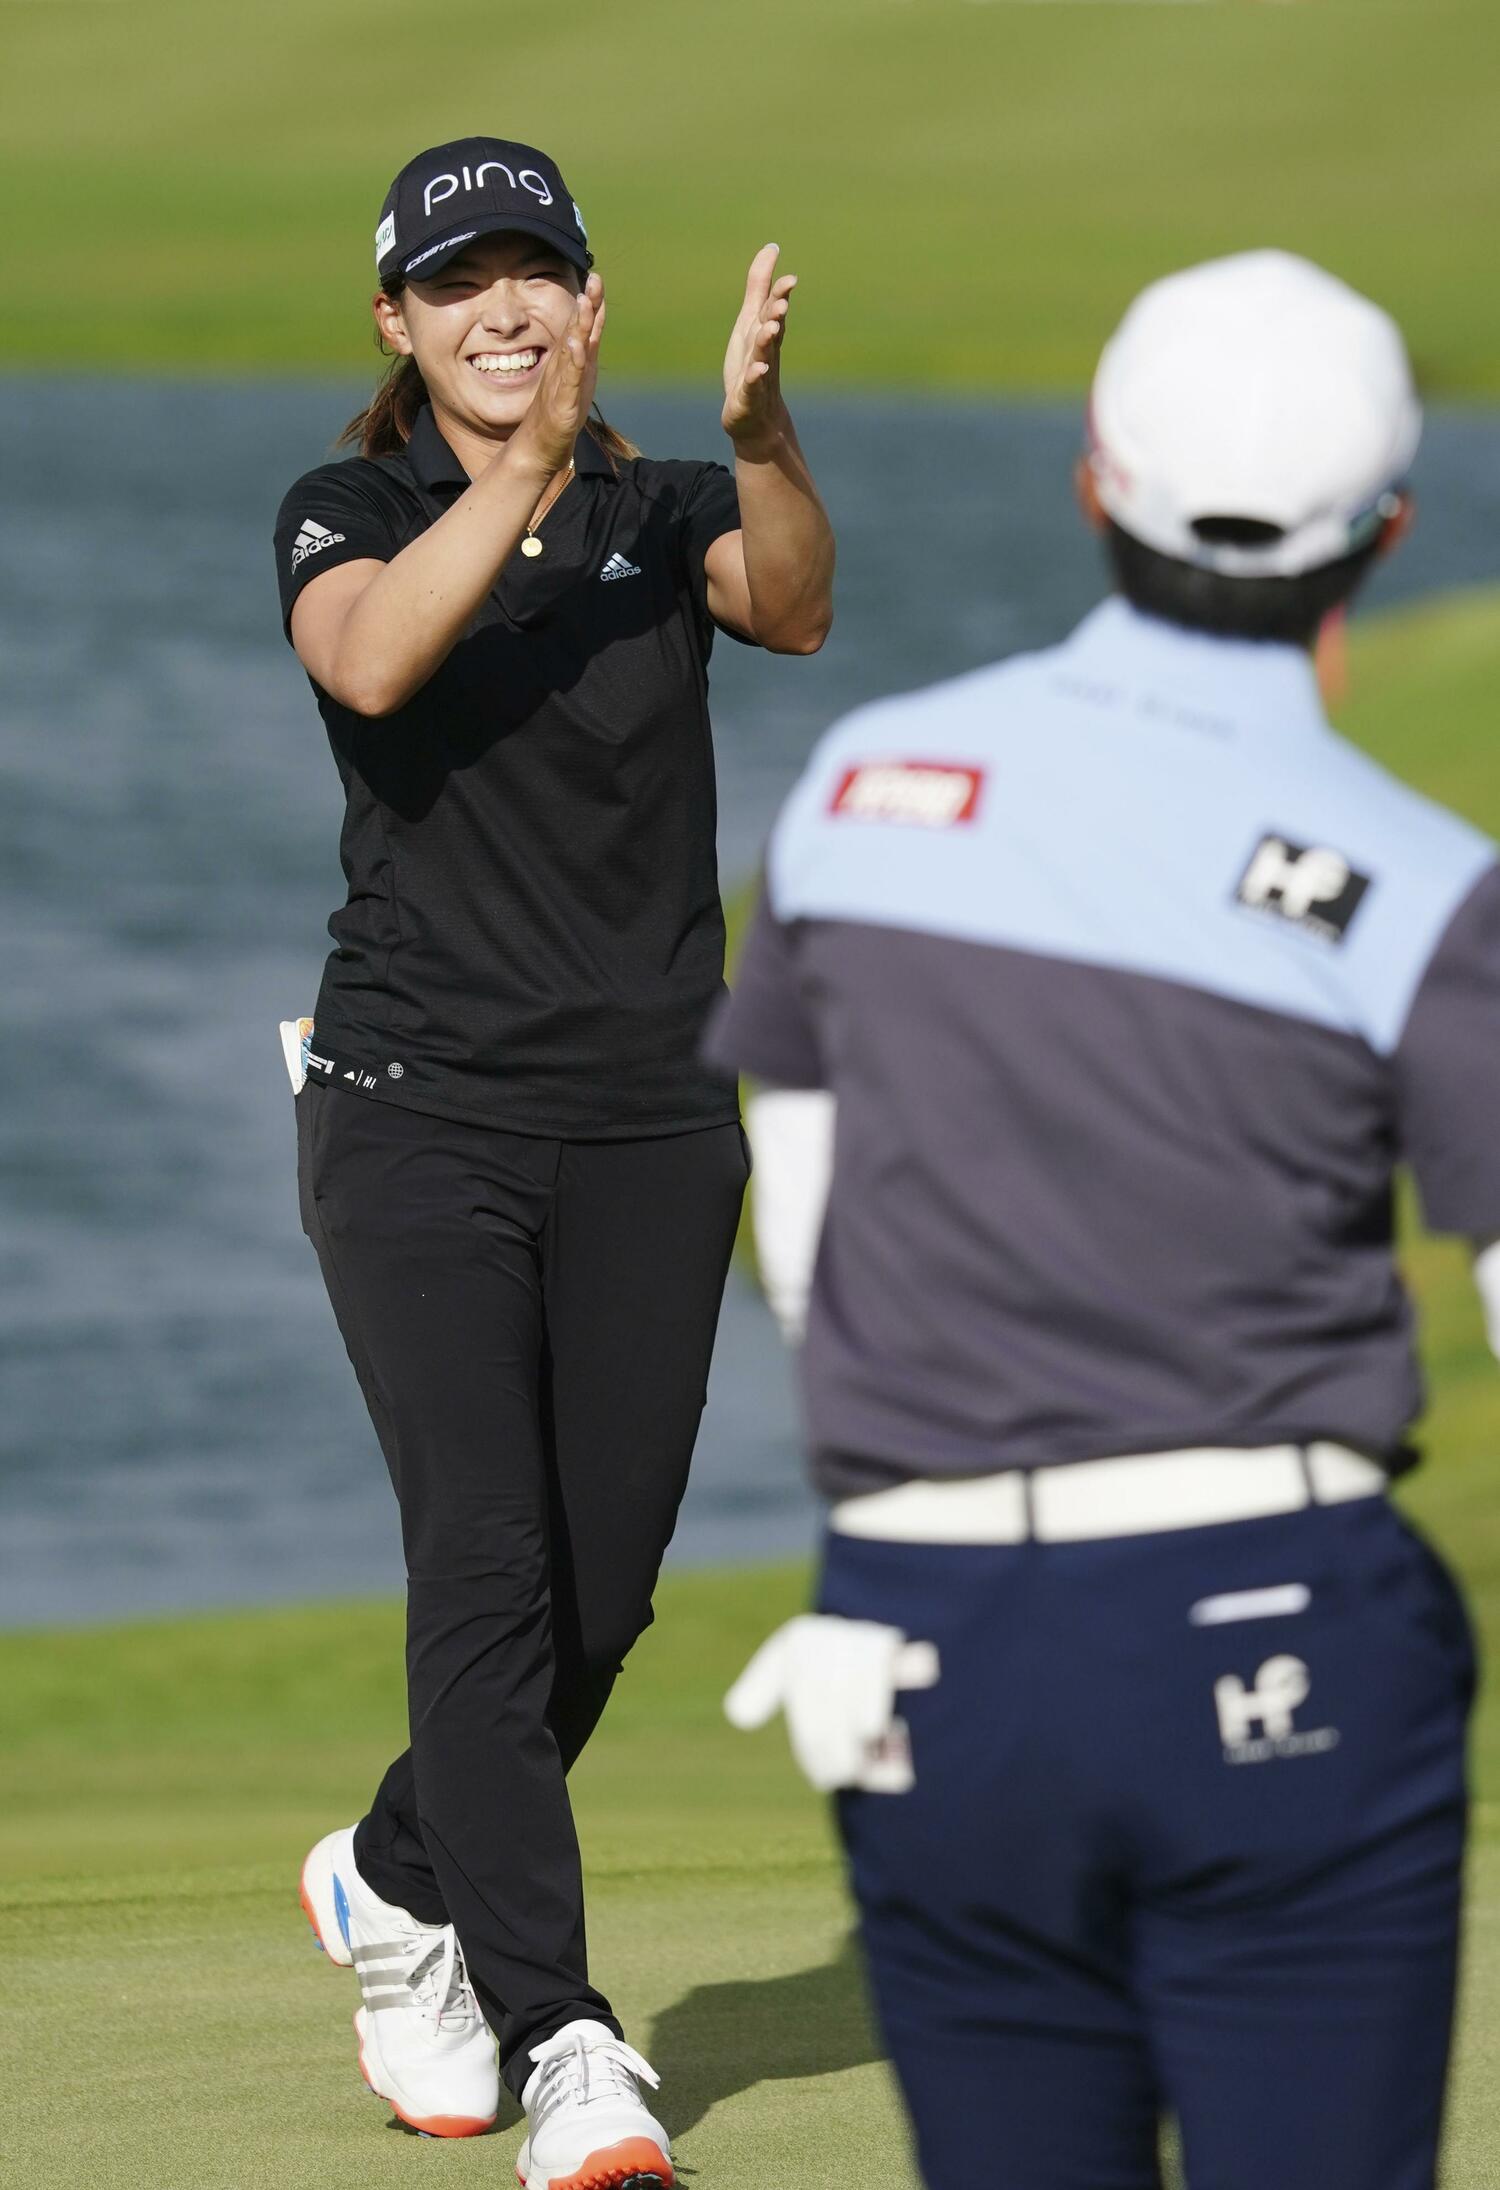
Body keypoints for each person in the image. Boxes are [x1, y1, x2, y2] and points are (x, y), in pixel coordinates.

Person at [710, 251, 1493, 2189]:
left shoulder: (863, 792)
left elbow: (803, 1201)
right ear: (1383, 536)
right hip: (1284, 1618)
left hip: (923, 1634)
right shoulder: (1425, 888)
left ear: (1094, 481)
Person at [273, 135, 833, 2190]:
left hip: (658, 1123)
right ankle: (567, 2037)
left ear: (588, 300)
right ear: (399, 323)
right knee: (489, 1567)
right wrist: (517, 468)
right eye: (460, 283)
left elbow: (794, 603)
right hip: (416, 1109)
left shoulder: (660, 508)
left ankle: (397, 1868)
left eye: (534, 273)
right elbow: (371, 660)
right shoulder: (349, 509)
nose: (501, 308)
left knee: (600, 1592)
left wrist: (757, 441)